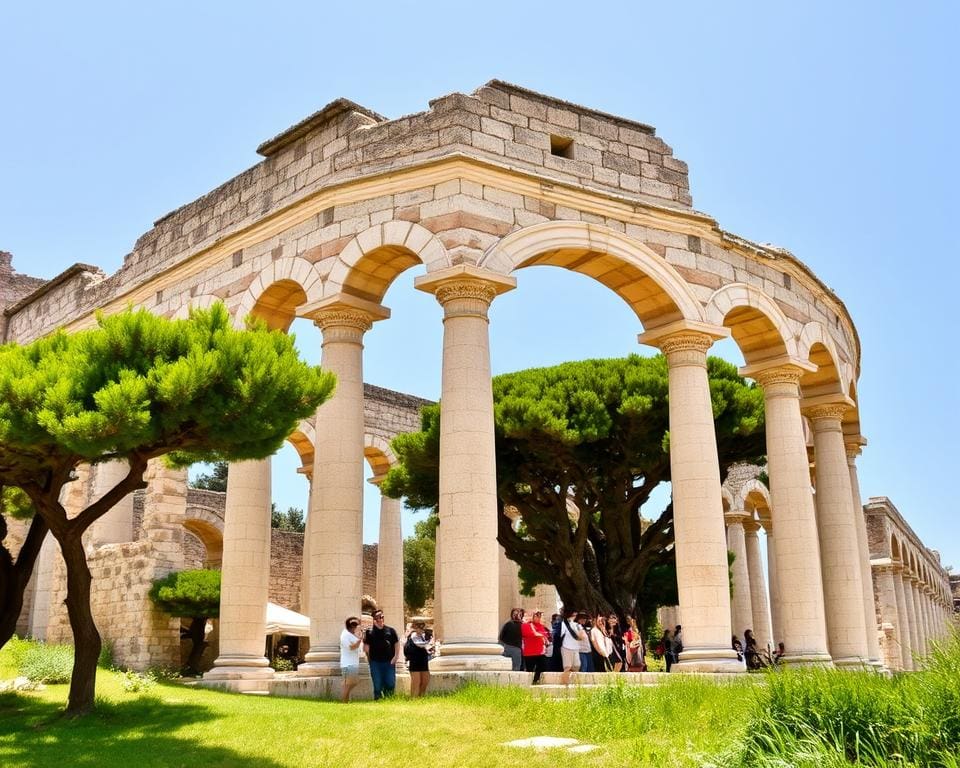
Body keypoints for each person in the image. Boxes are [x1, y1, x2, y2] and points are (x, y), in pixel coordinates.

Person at [363, 609, 400, 700]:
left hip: (389, 661)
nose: (381, 619)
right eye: (378, 617)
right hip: (375, 662)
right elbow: (366, 648)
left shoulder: (391, 630)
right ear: (374, 619)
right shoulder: (369, 632)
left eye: (382, 617)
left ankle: (389, 699)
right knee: (377, 684)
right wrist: (369, 659)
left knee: (390, 683)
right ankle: (378, 700)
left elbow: (396, 643)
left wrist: (396, 656)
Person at [520, 610, 550, 684]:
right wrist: (542, 635)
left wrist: (545, 639)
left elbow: (545, 636)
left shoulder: (541, 626)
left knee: (543, 667)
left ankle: (535, 680)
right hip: (530, 652)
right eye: (537, 616)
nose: (539, 618)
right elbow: (532, 633)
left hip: (540, 652)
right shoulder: (526, 625)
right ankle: (528, 683)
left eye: (540, 617)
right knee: (530, 670)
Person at [405, 620, 434, 697]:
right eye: (419, 627)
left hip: (423, 662)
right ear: (415, 627)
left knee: (425, 681)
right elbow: (418, 646)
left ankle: (421, 698)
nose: (421, 629)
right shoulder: (412, 637)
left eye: (422, 627)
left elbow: (428, 646)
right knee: (416, 682)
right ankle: (414, 699)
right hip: (415, 662)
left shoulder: (424, 637)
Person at [558, 608, 586, 685]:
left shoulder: (577, 625)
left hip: (576, 648)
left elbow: (583, 636)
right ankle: (564, 685)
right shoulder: (563, 624)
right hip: (566, 647)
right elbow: (558, 636)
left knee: (576, 666)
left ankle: (574, 684)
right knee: (567, 667)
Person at [339, 616, 363, 703]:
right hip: (348, 664)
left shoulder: (351, 635)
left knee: (352, 682)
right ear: (352, 626)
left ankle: (346, 700)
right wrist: (359, 640)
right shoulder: (344, 635)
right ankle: (344, 702)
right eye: (357, 626)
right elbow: (351, 647)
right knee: (348, 684)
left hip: (353, 663)